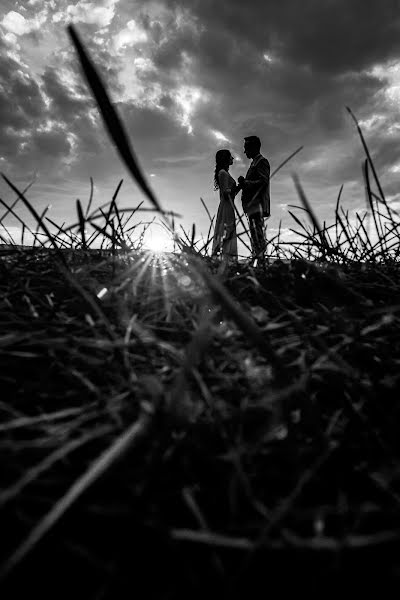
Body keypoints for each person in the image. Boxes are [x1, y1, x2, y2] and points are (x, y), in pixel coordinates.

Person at [238, 135, 270, 265]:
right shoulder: (254, 162)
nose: (244, 151)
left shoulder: (261, 161)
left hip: (257, 204)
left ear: (254, 147)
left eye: (246, 148)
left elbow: (263, 181)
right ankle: (257, 259)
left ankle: (260, 261)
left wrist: (246, 183)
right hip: (251, 205)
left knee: (257, 234)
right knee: (254, 233)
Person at [212, 149, 239, 261]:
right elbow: (225, 192)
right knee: (226, 231)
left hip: (229, 205)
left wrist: (239, 187)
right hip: (226, 206)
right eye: (230, 157)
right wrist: (238, 187)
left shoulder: (224, 173)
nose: (232, 158)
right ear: (226, 159)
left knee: (228, 231)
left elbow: (231, 193)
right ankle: (225, 260)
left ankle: (227, 259)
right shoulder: (222, 173)